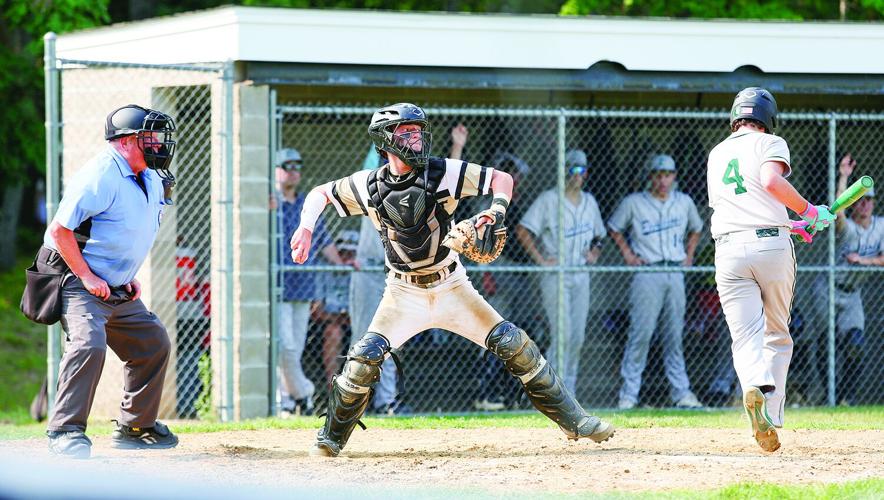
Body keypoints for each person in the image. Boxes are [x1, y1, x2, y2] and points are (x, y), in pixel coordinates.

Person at [290, 103, 614, 457]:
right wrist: (306, 227)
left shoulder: (441, 171)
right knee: (363, 359)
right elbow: (319, 193)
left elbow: (500, 180)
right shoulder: (368, 185)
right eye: (405, 131)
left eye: (417, 129)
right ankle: (330, 439)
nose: (415, 136)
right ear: (384, 141)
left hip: (451, 285)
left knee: (513, 344)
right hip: (402, 291)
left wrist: (495, 210)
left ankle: (576, 421)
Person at [41, 104, 180, 458]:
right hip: (73, 275)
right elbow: (60, 230)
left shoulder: (149, 174)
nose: (157, 143)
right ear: (124, 142)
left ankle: (136, 427)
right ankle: (64, 431)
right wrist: (87, 276)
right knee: (89, 342)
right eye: (148, 136)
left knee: (152, 344)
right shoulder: (101, 174)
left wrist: (126, 276)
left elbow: (127, 229)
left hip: (114, 283)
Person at [707, 87, 835, 452]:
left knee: (744, 334)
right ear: (768, 117)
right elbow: (769, 183)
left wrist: (791, 225)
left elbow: (742, 203)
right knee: (777, 331)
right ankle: (772, 411)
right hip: (771, 249)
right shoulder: (770, 142)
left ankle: (752, 383)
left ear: (736, 117)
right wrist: (808, 212)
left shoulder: (717, 153)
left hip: (729, 248)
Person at [608, 154, 704, 410]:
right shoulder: (635, 202)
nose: (663, 180)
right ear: (650, 176)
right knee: (641, 334)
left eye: (668, 174)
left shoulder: (683, 202)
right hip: (647, 272)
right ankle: (629, 396)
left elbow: (697, 228)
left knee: (674, 335)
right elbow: (614, 227)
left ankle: (681, 393)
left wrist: (690, 254)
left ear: (674, 176)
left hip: (675, 271)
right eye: (658, 175)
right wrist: (628, 254)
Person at [516, 149, 606, 395]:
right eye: (571, 169)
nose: (576, 175)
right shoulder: (549, 199)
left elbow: (600, 235)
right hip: (556, 274)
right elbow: (523, 230)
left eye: (581, 170)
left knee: (577, 337)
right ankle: (552, 393)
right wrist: (541, 260)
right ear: (563, 170)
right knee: (562, 334)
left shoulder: (590, 201)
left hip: (581, 273)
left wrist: (594, 254)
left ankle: (570, 392)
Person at [272, 147, 349, 417]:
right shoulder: (271, 203)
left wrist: (341, 264)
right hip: (277, 286)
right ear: (276, 171)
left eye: (297, 166)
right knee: (285, 346)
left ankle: (289, 402)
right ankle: (304, 391)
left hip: (304, 286)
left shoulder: (306, 203)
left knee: (297, 346)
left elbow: (323, 240)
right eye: (287, 166)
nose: (293, 171)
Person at [805, 154, 882, 406]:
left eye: (868, 200)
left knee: (855, 345)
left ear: (874, 203)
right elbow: (837, 213)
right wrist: (844, 177)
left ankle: (846, 398)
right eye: (860, 200)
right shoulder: (847, 226)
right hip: (828, 288)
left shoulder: (880, 226)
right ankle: (831, 396)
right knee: (827, 342)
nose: (864, 205)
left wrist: (864, 261)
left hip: (853, 293)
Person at [316, 230, 360, 382]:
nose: (347, 255)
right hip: (327, 323)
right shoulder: (323, 267)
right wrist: (337, 319)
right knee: (333, 331)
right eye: (343, 251)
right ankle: (332, 383)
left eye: (351, 252)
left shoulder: (362, 270)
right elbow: (315, 311)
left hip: (355, 320)